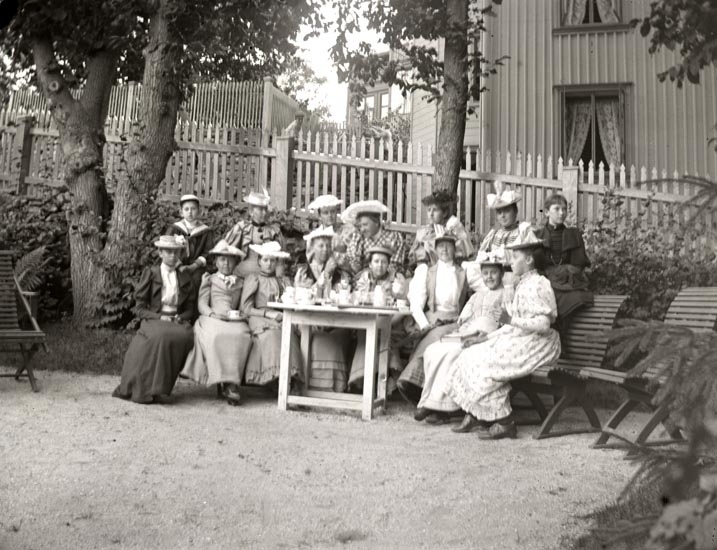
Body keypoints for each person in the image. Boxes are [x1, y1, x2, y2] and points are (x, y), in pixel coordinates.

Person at [446, 231, 561, 439]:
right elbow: (511, 326)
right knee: (470, 354)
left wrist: (510, 320)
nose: (511, 262)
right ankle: (478, 413)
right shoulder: (521, 283)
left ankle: (505, 422)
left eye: (515, 257)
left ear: (529, 259)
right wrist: (485, 338)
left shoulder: (539, 283)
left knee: (488, 363)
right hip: (521, 337)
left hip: (539, 343)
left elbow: (544, 324)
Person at [414, 249, 506, 424]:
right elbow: (463, 319)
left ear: (501, 273)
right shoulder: (478, 295)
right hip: (468, 331)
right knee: (433, 350)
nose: (489, 277)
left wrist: (489, 331)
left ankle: (440, 406)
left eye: (493, 273)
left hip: (488, 337)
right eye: (485, 273)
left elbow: (507, 322)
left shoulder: (506, 294)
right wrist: (463, 327)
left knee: (452, 354)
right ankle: (431, 401)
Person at [113, 235, 196, 404]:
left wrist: (181, 317)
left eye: (176, 252)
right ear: (160, 253)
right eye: (168, 252)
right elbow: (140, 308)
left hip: (177, 320)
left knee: (184, 336)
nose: (172, 256)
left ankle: (162, 386)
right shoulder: (152, 273)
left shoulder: (184, 276)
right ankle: (149, 388)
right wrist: (159, 316)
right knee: (160, 337)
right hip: (155, 318)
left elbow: (190, 308)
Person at [396, 234, 469, 404]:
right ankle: (416, 385)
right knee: (433, 336)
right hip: (432, 319)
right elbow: (416, 304)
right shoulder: (427, 272)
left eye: (449, 245)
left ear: (455, 249)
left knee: (440, 338)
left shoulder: (463, 272)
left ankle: (420, 385)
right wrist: (425, 324)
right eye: (441, 246)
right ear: (435, 249)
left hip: (455, 320)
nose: (445, 249)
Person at [180, 240, 251, 406]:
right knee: (216, 335)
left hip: (233, 319)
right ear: (216, 262)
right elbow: (202, 304)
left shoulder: (240, 282)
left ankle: (232, 382)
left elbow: (242, 306)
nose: (226, 263)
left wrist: (240, 314)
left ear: (235, 262)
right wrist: (212, 314)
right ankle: (220, 378)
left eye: (230, 260)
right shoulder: (209, 279)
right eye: (222, 259)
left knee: (242, 334)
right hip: (212, 317)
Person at [294, 226, 351, 392]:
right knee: (314, 333)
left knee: (340, 334)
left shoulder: (339, 272)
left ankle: (332, 387)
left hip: (333, 320)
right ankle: (305, 385)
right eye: (320, 246)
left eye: (327, 245)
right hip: (308, 319)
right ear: (312, 248)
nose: (325, 249)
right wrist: (325, 274)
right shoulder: (303, 271)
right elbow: (305, 297)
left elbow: (343, 294)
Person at [240, 241, 302, 388]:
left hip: (280, 316)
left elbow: (292, 301)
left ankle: (291, 376)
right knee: (271, 335)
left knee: (289, 333)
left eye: (272, 260)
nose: (269, 264)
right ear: (259, 262)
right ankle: (274, 376)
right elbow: (246, 308)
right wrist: (267, 313)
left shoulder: (283, 281)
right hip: (258, 316)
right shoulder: (254, 279)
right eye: (265, 260)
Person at [347, 245, 408, 392]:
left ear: (388, 265)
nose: (380, 265)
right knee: (366, 335)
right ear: (370, 264)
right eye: (376, 261)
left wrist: (393, 294)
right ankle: (363, 380)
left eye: (383, 262)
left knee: (384, 336)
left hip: (392, 323)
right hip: (366, 322)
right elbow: (357, 300)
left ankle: (384, 382)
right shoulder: (364, 278)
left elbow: (403, 306)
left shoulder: (396, 279)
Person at [532, 193, 594, 329]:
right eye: (557, 209)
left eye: (564, 209)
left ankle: (560, 334)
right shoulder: (537, 236)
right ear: (547, 212)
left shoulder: (574, 234)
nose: (561, 213)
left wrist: (562, 272)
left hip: (569, 281)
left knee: (575, 298)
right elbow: (535, 266)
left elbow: (578, 265)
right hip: (544, 281)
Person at [224, 189, 284, 279]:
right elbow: (227, 252)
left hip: (267, 277)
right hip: (243, 275)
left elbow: (280, 261)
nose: (264, 213)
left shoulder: (274, 231)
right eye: (260, 209)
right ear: (251, 211)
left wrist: (278, 279)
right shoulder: (241, 228)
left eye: (265, 209)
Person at [408, 191, 474, 267]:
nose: (431, 214)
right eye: (429, 210)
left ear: (444, 213)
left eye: (435, 210)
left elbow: (461, 256)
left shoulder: (454, 228)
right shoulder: (425, 232)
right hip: (430, 270)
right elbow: (419, 261)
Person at [343, 200, 406, 275]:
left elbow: (394, 266)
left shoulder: (393, 237)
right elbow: (352, 262)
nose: (362, 229)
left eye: (365, 225)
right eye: (360, 226)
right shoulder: (358, 237)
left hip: (388, 278)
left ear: (376, 222)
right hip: (361, 278)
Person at [166, 194, 215, 290]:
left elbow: (208, 252)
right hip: (176, 264)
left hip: (197, 267)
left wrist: (194, 266)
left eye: (193, 209)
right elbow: (167, 247)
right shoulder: (175, 228)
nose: (190, 212)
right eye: (186, 209)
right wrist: (179, 265)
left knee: (197, 280)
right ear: (181, 212)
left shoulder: (205, 231)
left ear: (199, 211)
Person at [307, 194, 355, 272]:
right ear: (319, 216)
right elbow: (311, 261)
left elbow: (353, 257)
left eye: (332, 211)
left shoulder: (346, 231)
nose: (330, 215)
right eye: (325, 213)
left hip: (344, 271)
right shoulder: (315, 236)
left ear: (336, 212)